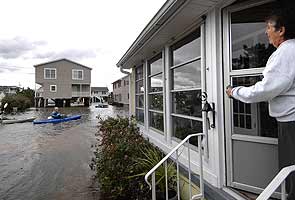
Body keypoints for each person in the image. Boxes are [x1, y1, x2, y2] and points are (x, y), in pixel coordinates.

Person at [226, 9, 295, 199]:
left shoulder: (286, 52)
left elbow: (265, 90)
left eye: (268, 27)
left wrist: (234, 91)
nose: (266, 32)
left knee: (291, 174)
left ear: (281, 30)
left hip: (291, 124)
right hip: (290, 122)